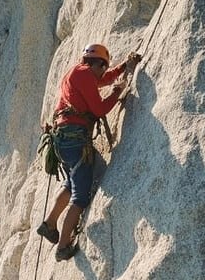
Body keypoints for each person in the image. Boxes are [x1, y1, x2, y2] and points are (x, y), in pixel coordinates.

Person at [36, 43, 141, 261]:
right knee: (80, 197)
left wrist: (124, 66)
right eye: (103, 67)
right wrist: (116, 93)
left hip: (63, 140)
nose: (103, 72)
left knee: (70, 184)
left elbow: (103, 79)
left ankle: (49, 224)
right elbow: (100, 109)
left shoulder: (78, 73)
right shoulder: (84, 75)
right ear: (98, 64)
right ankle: (63, 246)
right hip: (74, 140)